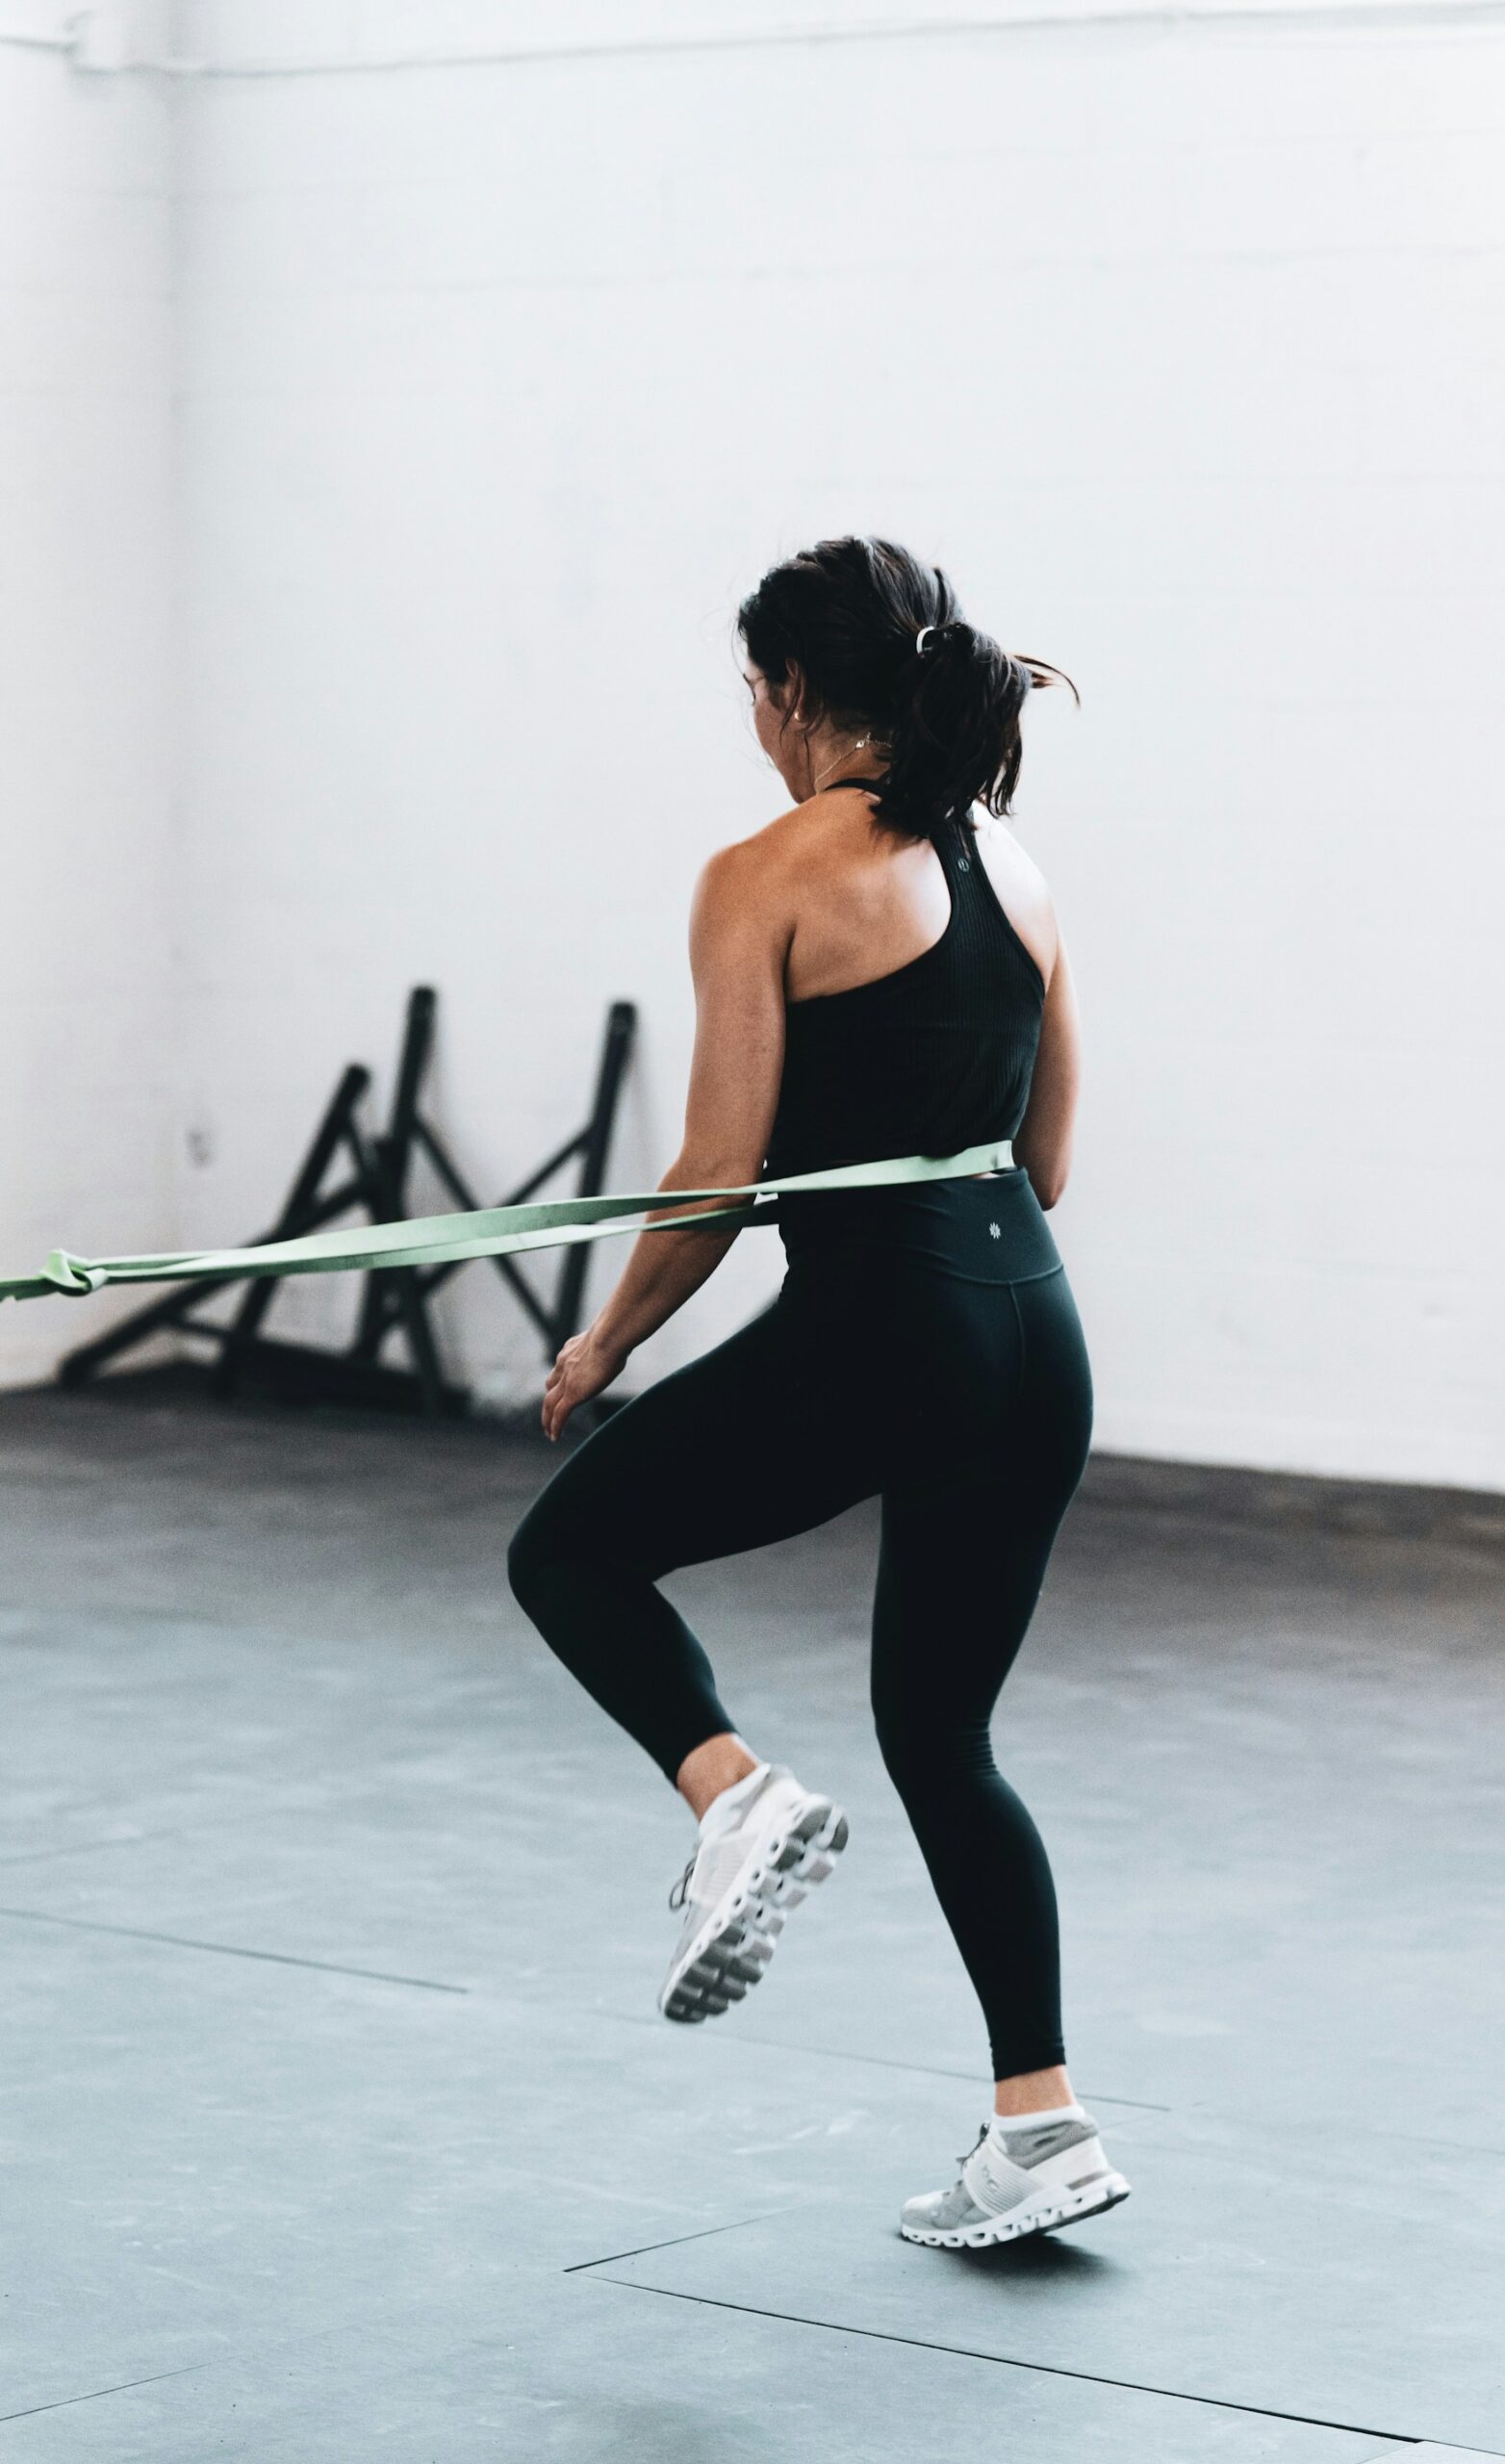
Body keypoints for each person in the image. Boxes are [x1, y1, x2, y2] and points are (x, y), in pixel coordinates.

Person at [507, 535, 1130, 2248]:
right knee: (945, 1739)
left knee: (567, 1555)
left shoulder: (765, 875)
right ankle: (1041, 2125)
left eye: (753, 695)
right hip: (1034, 1333)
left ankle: (734, 1792)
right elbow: (1047, 1162)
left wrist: (606, 1341)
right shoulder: (1015, 864)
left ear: (788, 693)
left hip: (891, 1325)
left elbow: (714, 1174)